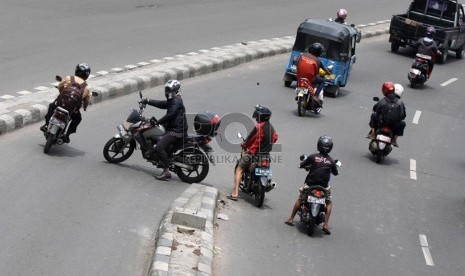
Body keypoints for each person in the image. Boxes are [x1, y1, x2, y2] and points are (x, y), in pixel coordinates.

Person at [284, 135, 339, 235]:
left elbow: (302, 164)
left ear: (318, 145)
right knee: (329, 202)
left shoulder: (313, 157)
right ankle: (326, 225)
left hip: (310, 185)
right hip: (324, 187)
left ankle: (291, 219)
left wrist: (301, 165)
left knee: (300, 199)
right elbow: (335, 172)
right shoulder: (331, 161)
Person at [226, 105, 278, 201]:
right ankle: (267, 182)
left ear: (260, 116)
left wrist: (244, 145)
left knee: (239, 169)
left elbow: (250, 139)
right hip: (266, 155)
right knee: (266, 168)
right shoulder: (272, 128)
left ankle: (235, 193)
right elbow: (275, 138)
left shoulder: (259, 127)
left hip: (253, 154)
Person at [141, 80, 188, 181]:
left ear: (176, 91)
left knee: (159, 148)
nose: (167, 92)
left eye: (169, 90)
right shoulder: (174, 100)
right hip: (174, 127)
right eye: (167, 90)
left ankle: (166, 171)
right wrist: (148, 101)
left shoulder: (176, 101)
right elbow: (162, 104)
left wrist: (158, 122)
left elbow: (170, 115)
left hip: (176, 131)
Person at [40, 63, 91, 143]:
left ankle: (46, 125)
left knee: (51, 106)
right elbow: (86, 100)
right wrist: (85, 108)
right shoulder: (86, 87)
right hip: (72, 110)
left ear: (76, 71)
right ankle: (66, 135)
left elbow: (60, 86)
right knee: (77, 119)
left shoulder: (69, 78)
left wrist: (61, 93)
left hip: (60, 103)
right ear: (87, 75)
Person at [367, 82, 406, 147]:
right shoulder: (400, 103)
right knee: (403, 123)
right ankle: (394, 139)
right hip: (393, 125)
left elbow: (377, 110)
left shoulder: (383, 100)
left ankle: (373, 133)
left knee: (373, 115)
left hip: (382, 123)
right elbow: (403, 116)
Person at [297, 43, 331, 107]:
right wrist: (328, 73)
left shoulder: (302, 55)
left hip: (299, 77)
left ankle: (298, 92)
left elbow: (297, 64)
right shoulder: (317, 60)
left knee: (299, 77)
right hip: (310, 79)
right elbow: (318, 72)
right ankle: (315, 96)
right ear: (319, 52)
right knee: (322, 81)